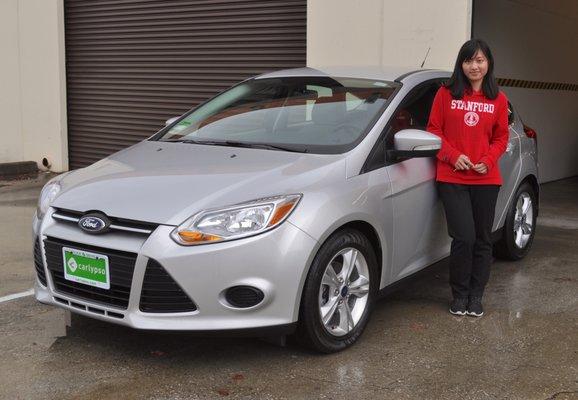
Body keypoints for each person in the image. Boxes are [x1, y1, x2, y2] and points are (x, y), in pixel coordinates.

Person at [427, 39, 509, 317]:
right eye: (468, 60)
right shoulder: (446, 94)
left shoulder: (498, 98)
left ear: (488, 64)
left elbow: (501, 137)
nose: (474, 66)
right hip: (452, 177)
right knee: (464, 237)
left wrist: (488, 160)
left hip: (486, 179)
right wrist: (452, 155)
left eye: (480, 60)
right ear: (460, 64)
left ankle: (476, 296)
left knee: (484, 239)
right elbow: (434, 131)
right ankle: (459, 295)